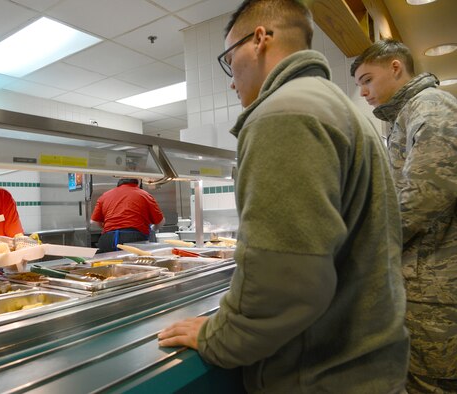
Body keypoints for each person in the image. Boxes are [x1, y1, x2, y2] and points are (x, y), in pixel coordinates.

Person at [158, 0, 410, 392]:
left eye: (229, 59)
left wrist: (219, 337)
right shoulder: (339, 107)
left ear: (259, 39)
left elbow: (286, 281)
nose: (230, 79)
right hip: (364, 363)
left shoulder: (283, 113)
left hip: (321, 375)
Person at [351, 39, 457, 393]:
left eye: (367, 79)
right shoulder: (405, 115)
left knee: (431, 382)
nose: (364, 92)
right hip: (425, 278)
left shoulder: (429, 106)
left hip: (437, 286)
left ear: (395, 67)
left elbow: (427, 192)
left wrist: (363, 243)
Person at [91, 178, 164, 253]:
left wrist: (109, 227)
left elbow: (93, 222)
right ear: (138, 183)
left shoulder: (105, 196)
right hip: (133, 239)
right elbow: (160, 222)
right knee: (133, 263)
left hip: (108, 239)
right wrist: (153, 229)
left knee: (108, 263)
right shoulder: (145, 195)